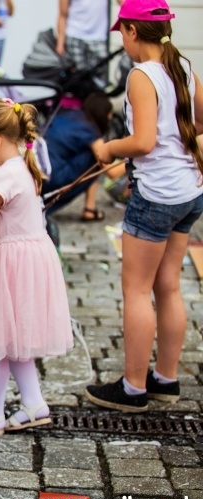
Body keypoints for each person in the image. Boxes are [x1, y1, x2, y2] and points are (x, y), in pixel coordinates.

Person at [85, 0, 203, 412]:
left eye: (122, 32)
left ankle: (133, 387)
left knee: (136, 290)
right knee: (168, 285)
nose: (122, 40)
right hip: (188, 189)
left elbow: (144, 142)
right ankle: (165, 378)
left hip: (156, 196)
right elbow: (200, 120)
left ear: (133, 31)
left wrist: (108, 147)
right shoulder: (182, 66)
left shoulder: (142, 74)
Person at [0, 98, 74, 434]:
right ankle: (34, 404)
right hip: (27, 257)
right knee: (14, 337)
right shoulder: (20, 167)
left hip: (11, 263)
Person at [42, 90, 125, 220]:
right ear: (104, 114)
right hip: (50, 178)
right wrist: (135, 160)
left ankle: (89, 209)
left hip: (37, 170)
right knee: (98, 158)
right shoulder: (90, 129)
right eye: (109, 114)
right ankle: (87, 210)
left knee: (94, 155)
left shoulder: (71, 115)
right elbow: (112, 172)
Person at [56, 0, 124, 91]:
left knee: (99, 80)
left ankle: (95, 103)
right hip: (74, 36)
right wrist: (60, 44)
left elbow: (124, 4)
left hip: (98, 38)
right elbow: (62, 14)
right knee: (76, 79)